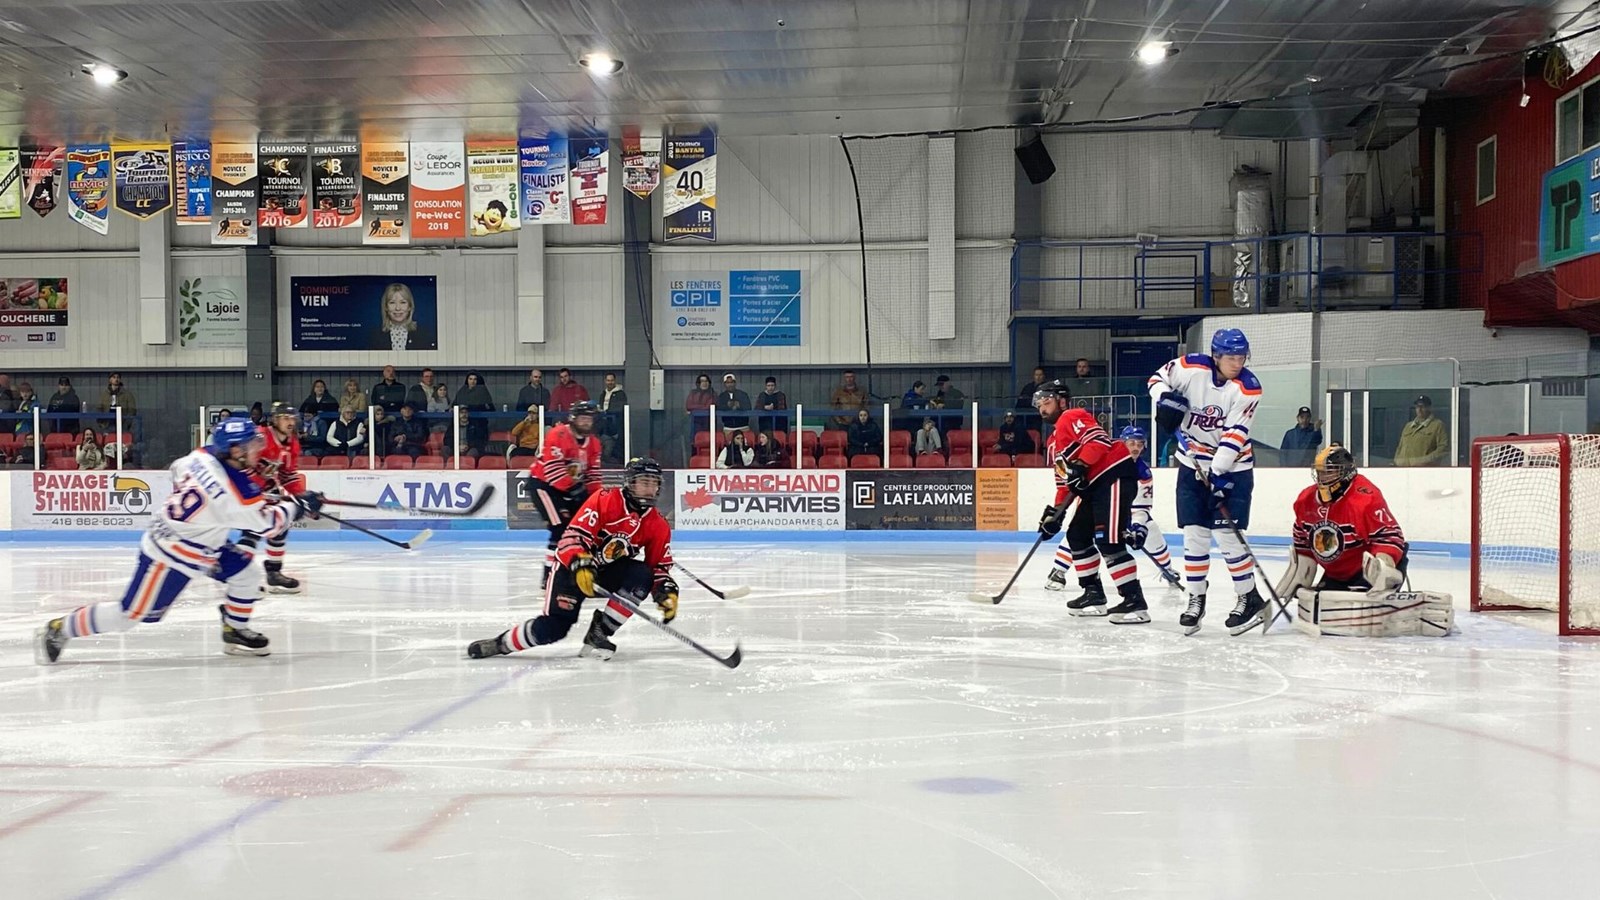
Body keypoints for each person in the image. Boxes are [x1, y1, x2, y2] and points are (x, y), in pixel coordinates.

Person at [35, 418, 321, 664]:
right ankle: (60, 628)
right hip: (170, 555)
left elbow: (178, 470)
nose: (257, 448)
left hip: (201, 544)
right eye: (251, 445)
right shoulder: (233, 493)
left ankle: (234, 629)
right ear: (235, 451)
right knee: (131, 614)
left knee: (246, 575)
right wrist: (298, 506)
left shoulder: (202, 455)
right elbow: (268, 525)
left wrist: (211, 513)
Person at [467, 458, 676, 662]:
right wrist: (579, 562)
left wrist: (665, 590)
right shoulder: (604, 500)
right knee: (552, 629)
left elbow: (658, 567)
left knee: (642, 576)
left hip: (605, 573)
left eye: (654, 483)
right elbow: (572, 537)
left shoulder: (658, 524)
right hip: (571, 570)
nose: (650, 488)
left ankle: (599, 633)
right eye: (644, 482)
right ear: (630, 483)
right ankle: (501, 644)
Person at [1148, 328, 1265, 636]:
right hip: (1190, 465)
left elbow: (1235, 434)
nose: (1238, 363)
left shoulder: (1248, 388)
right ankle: (1196, 598)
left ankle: (1249, 597)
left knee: (1227, 535)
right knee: (1195, 535)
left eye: (1242, 357)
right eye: (1231, 357)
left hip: (1233, 470)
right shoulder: (1191, 367)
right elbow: (1156, 379)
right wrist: (1166, 400)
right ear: (1216, 356)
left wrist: (1219, 474)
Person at [1276, 445, 1452, 637]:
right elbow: (1304, 545)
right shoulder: (1305, 501)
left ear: (1347, 473)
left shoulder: (1365, 498)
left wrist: (1383, 568)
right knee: (1324, 607)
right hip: (1337, 571)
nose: (1322, 478)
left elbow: (1390, 536)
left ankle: (1388, 590)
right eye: (1319, 473)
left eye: (1329, 472)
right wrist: (1300, 579)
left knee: (1360, 613)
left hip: (1365, 570)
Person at [1034, 380, 1149, 624]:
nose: (1042, 407)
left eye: (1047, 400)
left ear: (1062, 401)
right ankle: (1093, 593)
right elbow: (1064, 482)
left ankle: (1134, 601)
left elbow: (1099, 442)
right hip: (1096, 488)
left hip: (1113, 476)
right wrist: (1054, 516)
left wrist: (1080, 466)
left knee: (1109, 540)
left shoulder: (1072, 415)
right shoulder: (1053, 442)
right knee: (1077, 536)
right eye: (1039, 404)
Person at [528, 399, 603, 588]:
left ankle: (578, 569)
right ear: (573, 418)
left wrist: (598, 501)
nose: (586, 422)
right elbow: (553, 471)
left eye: (589, 418)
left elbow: (593, 474)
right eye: (583, 418)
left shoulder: (594, 443)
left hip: (569, 489)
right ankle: (549, 574)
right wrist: (576, 490)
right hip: (543, 486)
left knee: (581, 529)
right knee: (560, 529)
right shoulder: (558, 434)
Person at [243, 401, 310, 594]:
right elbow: (241, 465)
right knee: (252, 531)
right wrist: (252, 488)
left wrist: (302, 496)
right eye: (285, 418)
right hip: (245, 490)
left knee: (280, 525)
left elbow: (287, 476)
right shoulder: (260, 437)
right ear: (275, 420)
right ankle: (243, 578)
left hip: (265, 489)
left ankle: (273, 573)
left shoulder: (292, 444)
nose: (290, 423)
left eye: (292, 419)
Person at [1118, 426, 1180, 589]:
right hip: (1105, 510)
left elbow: (1141, 508)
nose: (1136, 448)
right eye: (1131, 443)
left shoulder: (1143, 472)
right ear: (1122, 443)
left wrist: (1136, 525)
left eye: (1139, 444)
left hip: (1129, 513)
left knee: (1151, 529)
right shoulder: (1110, 463)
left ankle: (1167, 570)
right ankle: (1058, 570)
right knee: (1082, 528)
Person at [366, 281, 436, 350]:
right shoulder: (375, 336)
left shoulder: (423, 334)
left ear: (410, 307)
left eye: (403, 302)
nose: (398, 308)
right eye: (392, 302)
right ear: (386, 307)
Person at [1394, 395, 1449, 466]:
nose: (1419, 409)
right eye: (1417, 407)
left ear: (1429, 408)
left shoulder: (1437, 425)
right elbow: (1400, 446)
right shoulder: (1408, 426)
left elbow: (1443, 449)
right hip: (1403, 470)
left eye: (1422, 406)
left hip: (1424, 470)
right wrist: (1397, 461)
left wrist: (1424, 461)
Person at [455, 372, 494, 446]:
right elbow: (455, 404)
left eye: (475, 379)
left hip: (479, 424)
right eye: (470, 379)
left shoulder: (483, 391)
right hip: (464, 423)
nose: (472, 381)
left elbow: (491, 408)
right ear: (467, 380)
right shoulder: (462, 391)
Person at [599, 372, 628, 463]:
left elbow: (619, 408)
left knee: (616, 444)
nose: (610, 382)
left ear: (615, 381)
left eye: (611, 380)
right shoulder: (603, 394)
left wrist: (607, 412)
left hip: (616, 424)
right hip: (604, 424)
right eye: (608, 380)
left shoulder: (620, 394)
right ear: (605, 381)